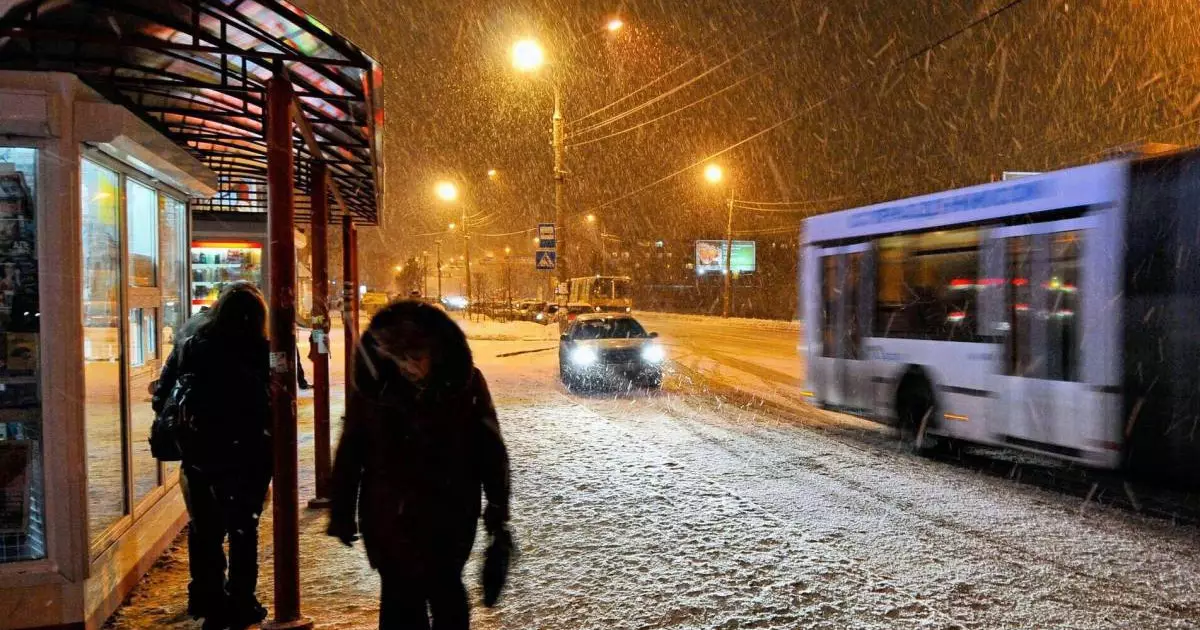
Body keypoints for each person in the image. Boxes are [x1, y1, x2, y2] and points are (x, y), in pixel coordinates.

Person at [327, 300, 511, 630]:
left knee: (447, 598)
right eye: (401, 359)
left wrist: (497, 507)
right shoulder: (372, 392)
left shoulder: (464, 385)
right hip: (390, 522)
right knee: (400, 604)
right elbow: (351, 450)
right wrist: (341, 510)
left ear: (435, 353)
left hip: (449, 518)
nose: (409, 367)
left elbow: (490, 449)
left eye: (417, 358)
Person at [153, 283, 273, 630]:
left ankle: (207, 597)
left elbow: (164, 395)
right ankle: (241, 601)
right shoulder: (261, 350)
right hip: (248, 454)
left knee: (205, 529)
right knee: (242, 529)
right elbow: (275, 403)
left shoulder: (193, 347)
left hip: (201, 453)